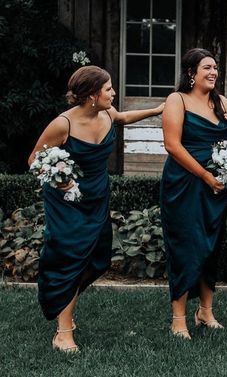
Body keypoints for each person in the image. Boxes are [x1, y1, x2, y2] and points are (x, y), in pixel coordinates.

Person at [28, 65, 165, 352]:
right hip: (66, 203)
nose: (113, 93)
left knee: (97, 260)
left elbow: (124, 117)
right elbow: (34, 161)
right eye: (108, 88)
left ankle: (65, 307)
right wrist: (61, 181)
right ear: (92, 94)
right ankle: (63, 331)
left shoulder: (106, 114)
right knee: (69, 258)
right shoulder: (62, 124)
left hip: (97, 198)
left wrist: (157, 110)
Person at [160, 48, 227, 340]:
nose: (213, 72)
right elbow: (172, 145)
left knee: (210, 245)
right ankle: (178, 319)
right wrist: (205, 175)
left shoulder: (221, 101)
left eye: (215, 67)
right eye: (207, 67)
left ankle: (205, 311)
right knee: (185, 246)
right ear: (191, 73)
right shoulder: (176, 100)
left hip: (216, 188)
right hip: (185, 184)